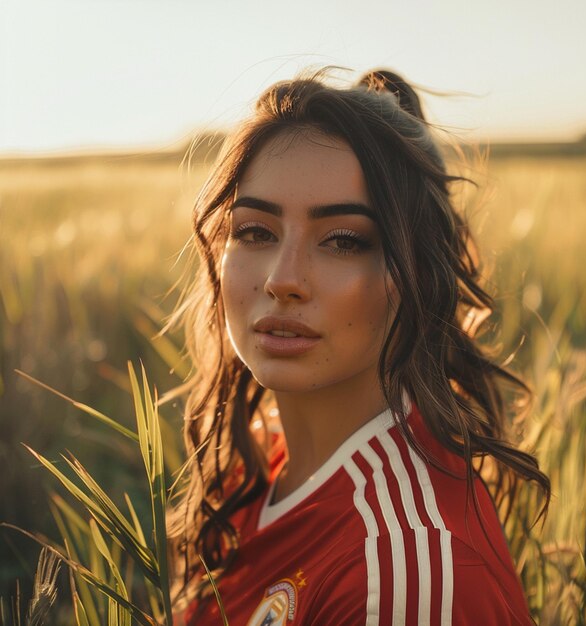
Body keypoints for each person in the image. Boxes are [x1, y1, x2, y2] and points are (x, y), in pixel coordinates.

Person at [167, 68, 550, 626]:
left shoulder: (401, 582)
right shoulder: (253, 469)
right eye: (255, 232)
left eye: (343, 241)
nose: (283, 278)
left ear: (418, 273)